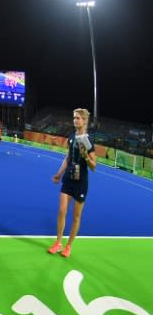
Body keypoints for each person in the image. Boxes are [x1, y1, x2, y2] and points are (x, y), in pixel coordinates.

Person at [48, 108, 96, 258]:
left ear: (84, 121)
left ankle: (68, 246)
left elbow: (94, 166)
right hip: (68, 178)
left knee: (76, 216)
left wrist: (86, 157)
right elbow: (67, 158)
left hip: (81, 182)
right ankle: (58, 242)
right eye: (74, 118)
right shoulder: (71, 137)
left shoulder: (88, 142)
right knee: (62, 211)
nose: (75, 120)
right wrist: (58, 174)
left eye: (78, 118)